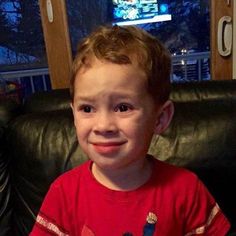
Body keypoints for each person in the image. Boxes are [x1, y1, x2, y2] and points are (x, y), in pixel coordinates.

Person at [30, 25, 231, 236]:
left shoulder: (187, 190)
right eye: (87, 109)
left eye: (123, 107)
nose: (103, 126)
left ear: (160, 118)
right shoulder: (63, 194)